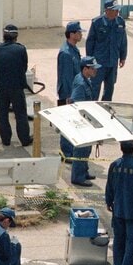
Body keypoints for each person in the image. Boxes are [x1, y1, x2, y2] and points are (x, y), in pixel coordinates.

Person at [0, 24, 31, 147]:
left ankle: (6, 140)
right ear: (16, 36)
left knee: (2, 114)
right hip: (16, 87)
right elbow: (24, 67)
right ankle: (24, 139)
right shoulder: (20, 49)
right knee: (20, 114)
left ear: (4, 35)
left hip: (0, 87)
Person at [86, 0, 128, 101]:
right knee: (95, 88)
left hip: (112, 62)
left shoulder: (120, 22)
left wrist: (123, 57)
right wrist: (90, 61)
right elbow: (90, 42)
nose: (117, 12)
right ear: (107, 11)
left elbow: (123, 41)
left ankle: (105, 109)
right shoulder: (97, 23)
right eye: (115, 10)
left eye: (118, 9)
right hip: (99, 62)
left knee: (109, 89)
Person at [70, 56, 102, 187]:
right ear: (85, 69)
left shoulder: (86, 80)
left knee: (87, 148)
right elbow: (76, 104)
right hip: (82, 122)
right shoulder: (80, 83)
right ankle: (78, 177)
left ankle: (83, 171)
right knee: (81, 149)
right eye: (93, 68)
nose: (95, 70)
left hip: (87, 120)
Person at [57, 21, 85, 161]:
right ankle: (66, 153)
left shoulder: (73, 49)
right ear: (72, 34)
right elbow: (66, 77)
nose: (81, 35)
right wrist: (69, 96)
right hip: (68, 94)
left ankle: (69, 151)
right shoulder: (66, 53)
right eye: (79, 32)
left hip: (73, 92)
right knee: (67, 124)